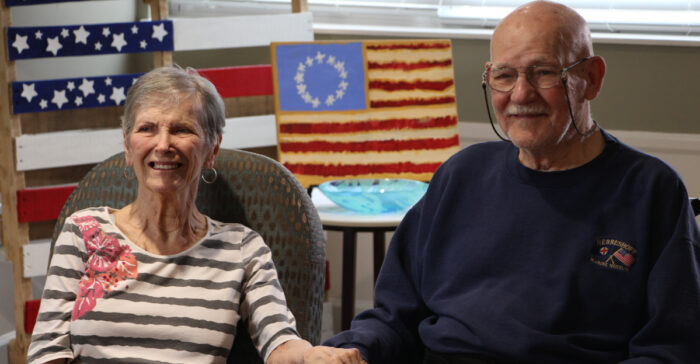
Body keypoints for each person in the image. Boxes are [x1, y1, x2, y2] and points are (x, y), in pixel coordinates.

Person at [309, 1, 700, 363]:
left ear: (591, 78)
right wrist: (354, 349)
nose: (521, 94)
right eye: (504, 75)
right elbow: (394, 316)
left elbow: (671, 347)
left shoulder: (651, 191)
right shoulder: (460, 176)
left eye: (544, 72)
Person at [27, 67, 313, 364]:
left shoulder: (242, 248)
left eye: (181, 129)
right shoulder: (82, 233)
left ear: (213, 148)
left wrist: (311, 356)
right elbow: (47, 353)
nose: (163, 145)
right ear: (127, 145)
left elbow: (281, 342)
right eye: (147, 128)